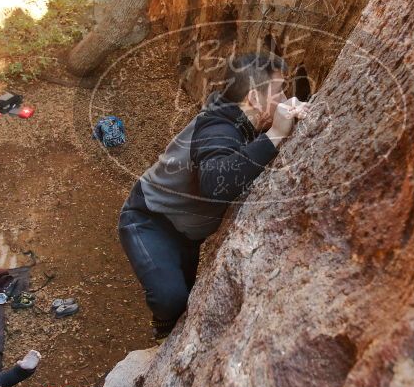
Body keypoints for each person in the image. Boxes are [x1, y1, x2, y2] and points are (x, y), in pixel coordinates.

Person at [118, 53, 310, 341]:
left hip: (188, 233)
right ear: (255, 99)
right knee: (171, 299)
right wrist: (275, 135)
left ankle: (167, 335)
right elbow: (216, 183)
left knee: (185, 305)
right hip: (148, 220)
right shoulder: (216, 127)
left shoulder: (243, 124)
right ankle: (160, 335)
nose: (285, 98)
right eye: (280, 91)